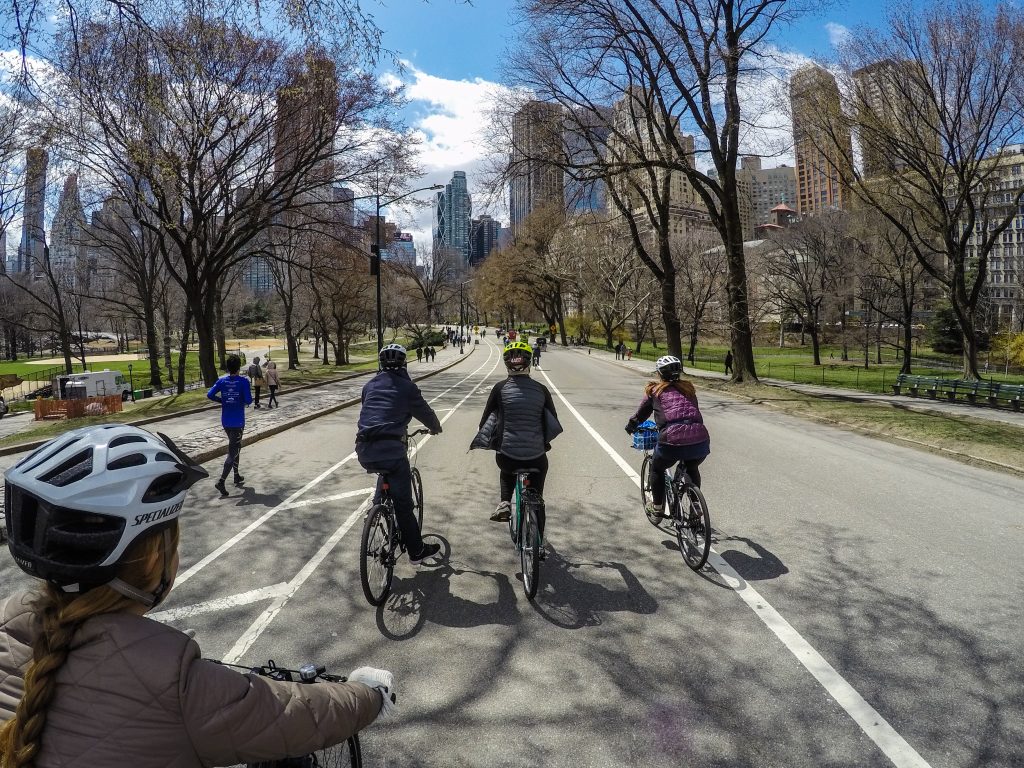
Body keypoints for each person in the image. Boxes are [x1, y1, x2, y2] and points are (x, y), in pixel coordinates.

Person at [0, 425, 393, 767]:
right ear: (153, 560)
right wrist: (370, 692)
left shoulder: (9, 625)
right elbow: (304, 715)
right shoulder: (176, 682)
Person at [471, 341, 563, 553]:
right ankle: (538, 544)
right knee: (537, 498)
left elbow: (484, 421)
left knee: (506, 470)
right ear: (530, 363)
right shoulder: (541, 390)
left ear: (506, 364)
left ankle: (504, 503)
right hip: (536, 456)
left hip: (508, 454)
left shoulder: (499, 389)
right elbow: (552, 421)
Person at [355, 344, 443, 565]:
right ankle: (416, 551)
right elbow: (425, 413)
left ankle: (375, 509)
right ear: (405, 363)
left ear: (381, 364)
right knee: (403, 504)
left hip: (364, 449)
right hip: (392, 450)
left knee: (383, 472)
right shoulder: (407, 387)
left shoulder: (368, 386)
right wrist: (435, 427)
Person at [625, 355, 711, 518]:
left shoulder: (654, 391)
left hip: (671, 439)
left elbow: (641, 415)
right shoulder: (689, 389)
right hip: (700, 437)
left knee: (657, 468)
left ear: (660, 373)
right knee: (691, 467)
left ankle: (657, 507)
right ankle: (695, 505)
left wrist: (631, 426)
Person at [207, 354, 251, 497]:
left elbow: (210, 394)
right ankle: (221, 481)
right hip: (238, 421)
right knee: (233, 451)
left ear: (228, 367)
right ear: (239, 367)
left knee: (236, 447)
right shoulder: (243, 381)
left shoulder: (222, 381)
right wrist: (241, 401)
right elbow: (249, 400)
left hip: (226, 420)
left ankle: (236, 475)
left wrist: (223, 401)